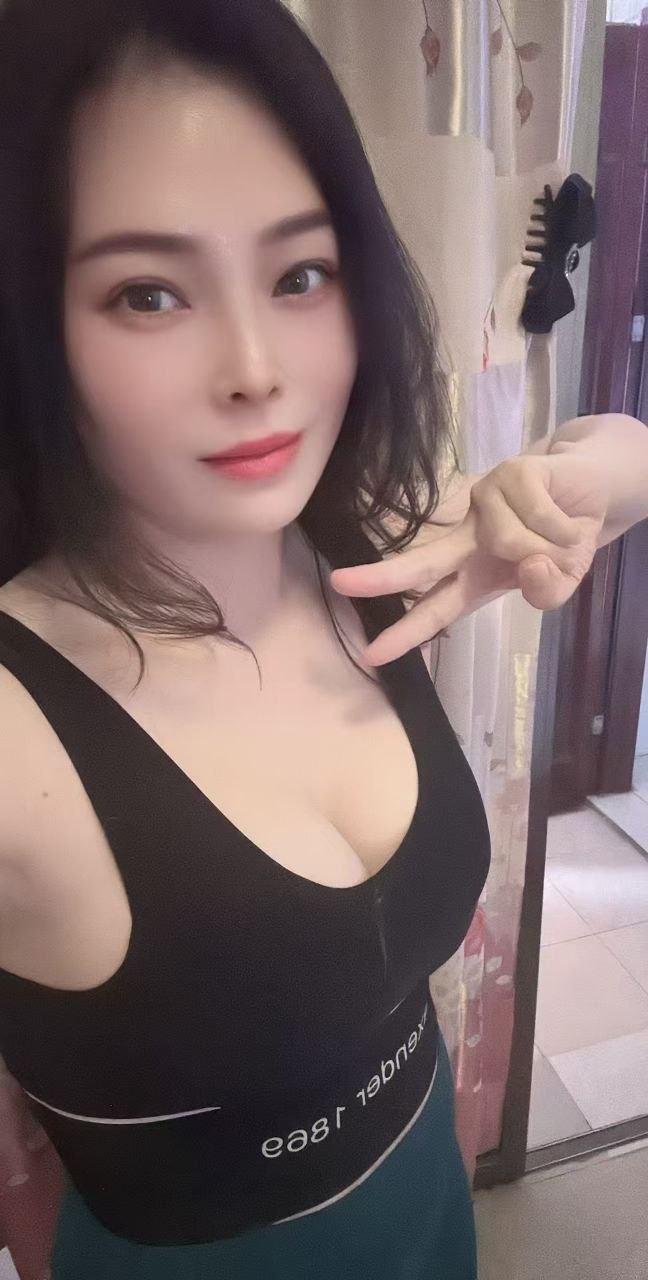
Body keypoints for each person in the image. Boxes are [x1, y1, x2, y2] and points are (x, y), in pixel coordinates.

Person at [0, 0, 646, 1276]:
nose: (257, 367)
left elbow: (626, 454)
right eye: (147, 292)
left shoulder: (369, 551)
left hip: (429, 1207)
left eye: (300, 273)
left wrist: (585, 483)